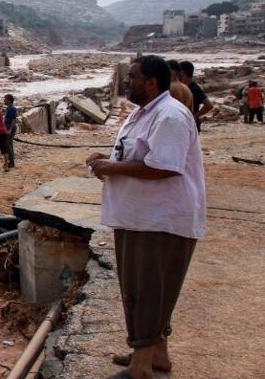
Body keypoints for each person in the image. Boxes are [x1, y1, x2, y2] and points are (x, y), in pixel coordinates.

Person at [86, 55, 206, 379]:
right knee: (144, 288)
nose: (127, 81)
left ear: (152, 82)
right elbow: (135, 154)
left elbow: (164, 166)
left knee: (150, 289)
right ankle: (158, 355)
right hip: (138, 216)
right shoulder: (145, 113)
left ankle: (140, 368)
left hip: (160, 220)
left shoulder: (170, 116)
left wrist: (112, 167)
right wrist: (106, 159)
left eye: (133, 77)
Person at [179, 61, 213, 132]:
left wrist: (195, 116)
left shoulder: (194, 89)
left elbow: (209, 105)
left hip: (191, 125)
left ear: (182, 73)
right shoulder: (182, 87)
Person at [3, 94, 18, 168]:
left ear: (9, 100)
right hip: (8, 128)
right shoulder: (9, 108)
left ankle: (11, 162)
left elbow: (13, 120)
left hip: (10, 129)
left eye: (5, 99)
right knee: (9, 145)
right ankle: (11, 161)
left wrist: (9, 129)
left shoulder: (12, 109)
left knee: (8, 145)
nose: (4, 100)